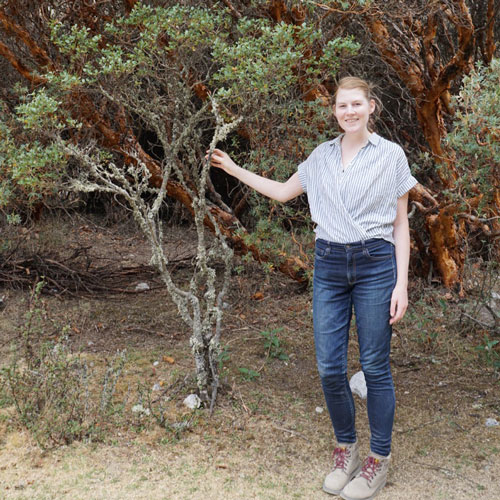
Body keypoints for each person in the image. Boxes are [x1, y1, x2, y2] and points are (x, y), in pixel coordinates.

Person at [207, 76, 417, 500]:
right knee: (328, 365)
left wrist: (402, 284)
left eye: (357, 104)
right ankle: (347, 451)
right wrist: (232, 169)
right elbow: (284, 192)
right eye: (342, 106)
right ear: (335, 111)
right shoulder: (321, 157)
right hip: (330, 265)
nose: (350, 112)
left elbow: (400, 224)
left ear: (371, 107)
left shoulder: (391, 155)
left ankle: (378, 461)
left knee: (375, 366)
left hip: (377, 264)